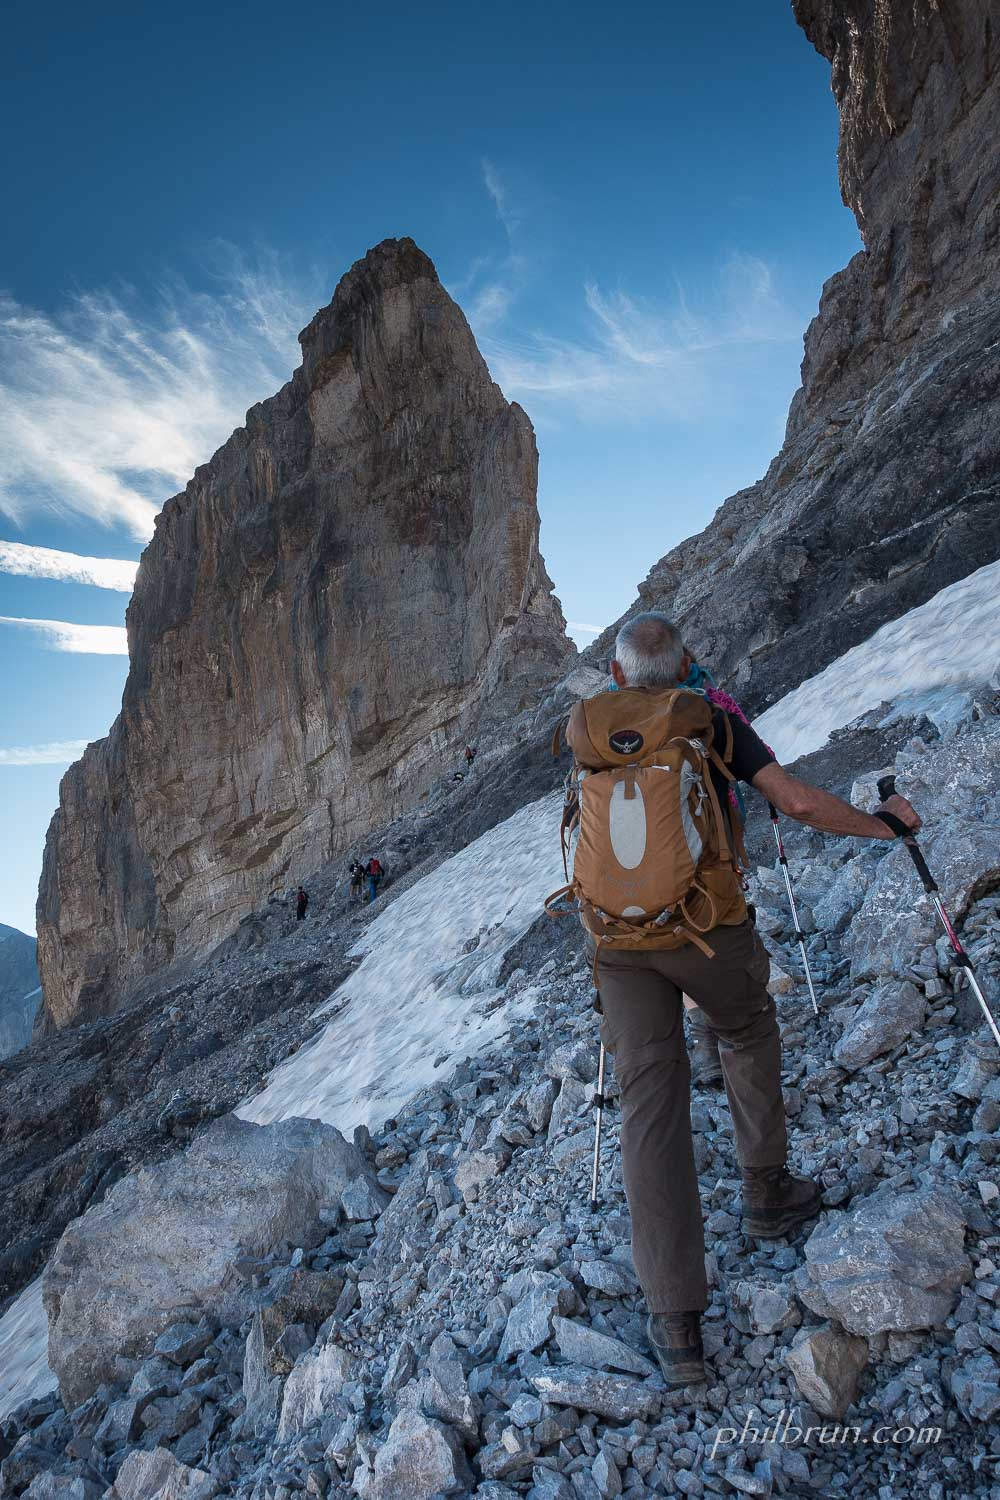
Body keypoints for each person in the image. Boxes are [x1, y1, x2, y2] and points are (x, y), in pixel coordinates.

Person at [573, 611, 920, 1389]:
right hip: (707, 929)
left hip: (619, 943)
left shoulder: (592, 728)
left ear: (618, 674)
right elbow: (795, 803)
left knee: (649, 1104)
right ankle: (766, 1191)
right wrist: (885, 827)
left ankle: (675, 1324)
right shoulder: (711, 717)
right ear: (686, 664)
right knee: (747, 1028)